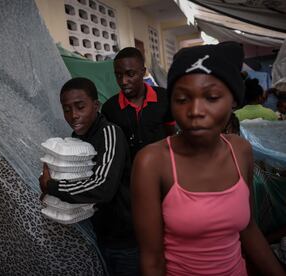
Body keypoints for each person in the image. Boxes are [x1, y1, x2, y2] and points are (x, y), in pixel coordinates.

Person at [131, 42, 286, 275]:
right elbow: (152, 260)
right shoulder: (152, 163)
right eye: (182, 99)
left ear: (233, 99)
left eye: (212, 97)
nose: (195, 110)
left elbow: (248, 228)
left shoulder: (240, 151)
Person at [39, 77, 138, 276]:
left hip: (124, 240)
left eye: (80, 106)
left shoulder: (110, 133)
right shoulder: (77, 139)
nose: (73, 115)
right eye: (66, 109)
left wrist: (52, 187)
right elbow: (76, 182)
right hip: (100, 233)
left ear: (96, 105)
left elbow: (103, 187)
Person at [102, 47, 175, 161]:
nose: (123, 81)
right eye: (118, 75)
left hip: (163, 167)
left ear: (143, 72)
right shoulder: (109, 108)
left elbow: (172, 134)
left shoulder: (164, 98)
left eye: (130, 74)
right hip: (129, 174)